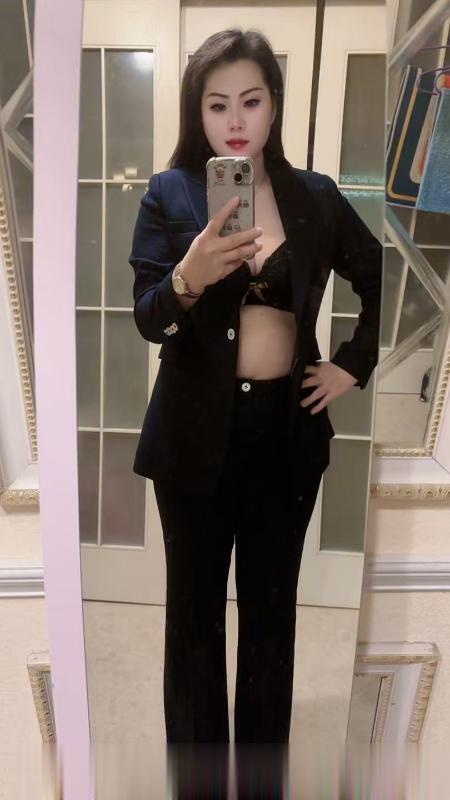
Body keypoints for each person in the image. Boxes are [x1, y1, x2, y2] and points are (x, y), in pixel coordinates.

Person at [128, 27, 382, 800]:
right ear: (197, 112)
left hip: (286, 439)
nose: (235, 120)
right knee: (194, 622)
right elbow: (148, 318)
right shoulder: (170, 194)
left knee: (271, 621)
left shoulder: (317, 197)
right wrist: (190, 275)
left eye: (251, 100)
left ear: (274, 105)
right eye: (217, 104)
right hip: (190, 439)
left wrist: (353, 363)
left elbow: (380, 274)